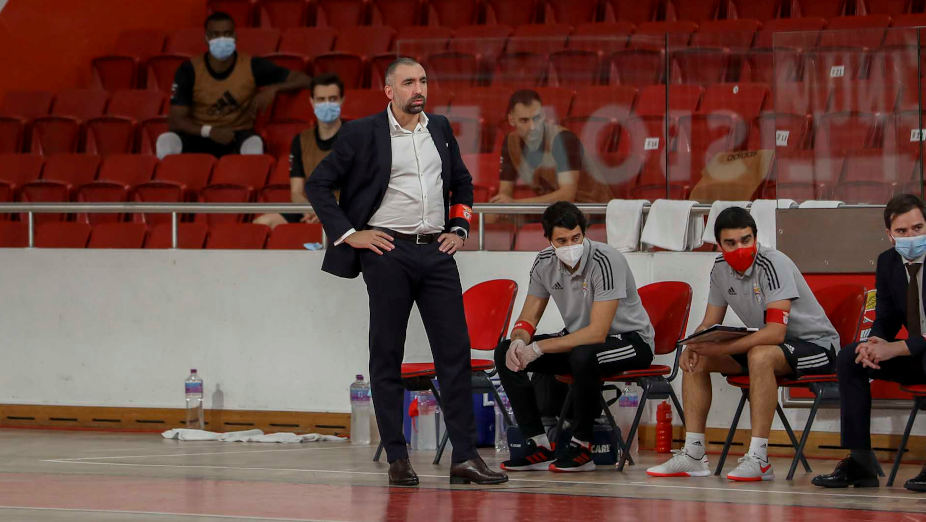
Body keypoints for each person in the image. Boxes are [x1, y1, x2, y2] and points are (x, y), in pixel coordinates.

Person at [305, 57, 507, 486]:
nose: (420, 89)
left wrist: (460, 226)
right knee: (387, 354)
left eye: (424, 81)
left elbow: (463, 183)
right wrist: (348, 234)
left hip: (436, 252)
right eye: (409, 82)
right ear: (389, 91)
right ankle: (398, 457)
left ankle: (465, 458)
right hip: (387, 250)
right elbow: (317, 184)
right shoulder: (361, 133)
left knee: (454, 354)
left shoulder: (440, 129)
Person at [647, 207, 840, 482]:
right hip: (768, 347)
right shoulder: (719, 268)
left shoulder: (774, 263)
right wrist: (695, 343)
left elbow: (775, 332)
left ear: (756, 238)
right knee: (698, 358)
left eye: (746, 240)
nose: (740, 247)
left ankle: (759, 459)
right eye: (731, 243)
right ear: (719, 245)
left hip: (817, 347)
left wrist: (723, 349)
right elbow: (710, 321)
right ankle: (693, 454)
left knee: (760, 356)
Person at [494, 201, 655, 472]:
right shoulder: (544, 262)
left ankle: (583, 445)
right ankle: (538, 443)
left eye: (576, 238)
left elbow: (597, 332)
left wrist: (541, 347)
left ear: (584, 233)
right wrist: (521, 340)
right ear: (548, 240)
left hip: (630, 341)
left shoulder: (606, 260)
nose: (570, 245)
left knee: (583, 355)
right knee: (505, 351)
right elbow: (528, 318)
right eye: (562, 240)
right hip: (581, 340)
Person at [813, 194, 926, 492]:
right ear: (889, 235)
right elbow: (887, 316)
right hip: (918, 354)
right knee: (851, 358)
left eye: (918, 228)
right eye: (902, 232)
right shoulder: (888, 262)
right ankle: (860, 463)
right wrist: (874, 342)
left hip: (919, 350)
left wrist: (896, 348)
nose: (911, 237)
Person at [157, 11, 312, 159]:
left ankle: (250, 183)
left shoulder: (252, 65)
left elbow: (305, 79)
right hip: (200, 134)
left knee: (254, 143)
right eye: (216, 35)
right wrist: (209, 131)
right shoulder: (189, 70)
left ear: (235, 36)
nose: (222, 39)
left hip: (236, 134)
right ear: (206, 38)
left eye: (227, 33)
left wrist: (274, 88)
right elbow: (176, 120)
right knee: (166, 140)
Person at [489, 89, 612, 206]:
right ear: (511, 120)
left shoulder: (563, 139)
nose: (532, 127)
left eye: (536, 118)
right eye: (524, 120)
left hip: (588, 207)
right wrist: (502, 201)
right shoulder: (511, 142)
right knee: (489, 215)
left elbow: (567, 195)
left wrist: (515, 204)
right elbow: (505, 190)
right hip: (550, 209)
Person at [255, 73, 345, 228]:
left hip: (345, 209)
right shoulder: (300, 140)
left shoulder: (358, 136)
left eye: (332, 99)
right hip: (311, 208)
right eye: (321, 100)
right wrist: (310, 211)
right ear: (312, 102)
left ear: (342, 100)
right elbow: (296, 192)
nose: (327, 104)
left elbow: (363, 189)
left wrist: (327, 212)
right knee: (262, 224)